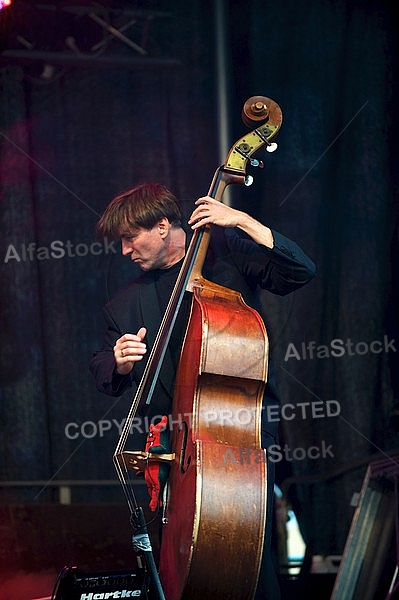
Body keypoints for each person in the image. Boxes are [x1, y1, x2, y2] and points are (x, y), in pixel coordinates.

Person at [90, 182, 316, 599]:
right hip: (174, 448)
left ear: (162, 226)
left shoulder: (226, 256)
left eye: (129, 238)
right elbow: (102, 370)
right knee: (176, 558)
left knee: (248, 554)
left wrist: (244, 222)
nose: (124, 251)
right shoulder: (121, 305)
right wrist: (118, 361)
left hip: (238, 434)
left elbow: (300, 271)